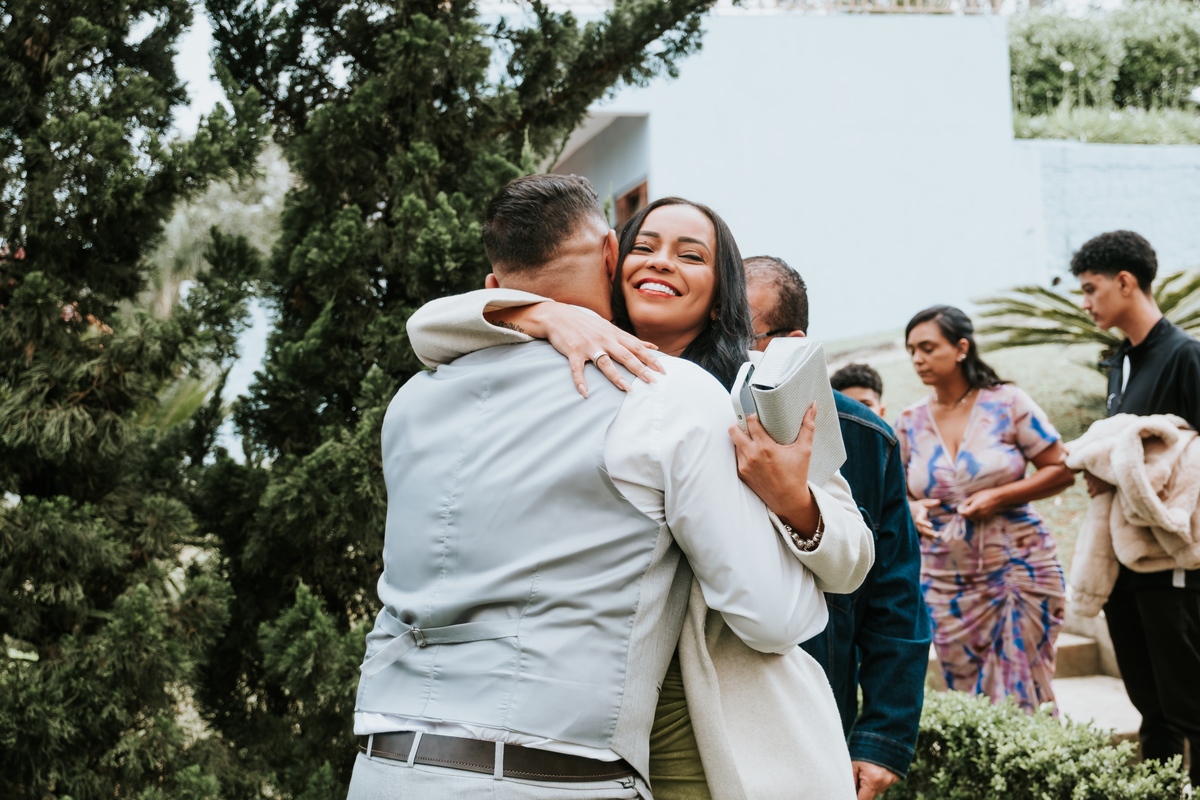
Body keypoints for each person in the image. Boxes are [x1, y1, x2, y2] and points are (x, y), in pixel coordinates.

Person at [404, 193, 876, 799]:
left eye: (690, 254)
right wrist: (543, 315)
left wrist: (793, 500)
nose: (660, 262)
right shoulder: (569, 368)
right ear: (612, 262)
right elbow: (427, 325)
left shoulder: (761, 397)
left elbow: (853, 560)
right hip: (569, 718)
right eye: (644, 247)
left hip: (716, 710)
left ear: (720, 290)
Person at [743, 255, 930, 800]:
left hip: (817, 718)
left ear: (789, 344)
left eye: (738, 333)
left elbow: (895, 597)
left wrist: (881, 737)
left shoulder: (865, 438)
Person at [894, 305, 1075, 714]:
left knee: (1026, 688)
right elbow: (897, 495)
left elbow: (1061, 470)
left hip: (1019, 566)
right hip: (945, 582)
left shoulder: (1007, 403)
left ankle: (1037, 773)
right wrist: (913, 508)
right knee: (971, 697)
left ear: (961, 348)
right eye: (911, 351)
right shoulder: (909, 422)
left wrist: (999, 496)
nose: (917, 359)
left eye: (927, 348)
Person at [1071, 230, 1200, 784]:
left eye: (1091, 288)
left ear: (1126, 281)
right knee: (1151, 708)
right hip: (1121, 564)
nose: (1086, 302)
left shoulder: (1186, 357)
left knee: (1190, 708)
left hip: (1172, 565)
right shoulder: (1120, 365)